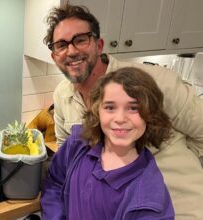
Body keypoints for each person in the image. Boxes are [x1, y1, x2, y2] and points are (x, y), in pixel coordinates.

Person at [44, 4, 203, 219]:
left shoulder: (157, 82)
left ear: (98, 45)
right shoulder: (62, 95)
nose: (71, 51)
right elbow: (65, 162)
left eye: (80, 39)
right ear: (54, 56)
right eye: (61, 45)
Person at [41, 67, 175, 219]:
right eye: (110, 107)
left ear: (150, 114)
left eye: (133, 108)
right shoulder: (78, 144)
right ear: (98, 110)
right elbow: (55, 183)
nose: (120, 118)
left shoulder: (149, 201)